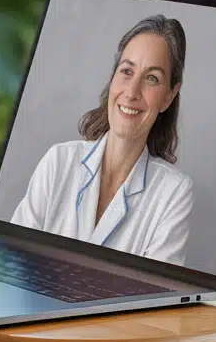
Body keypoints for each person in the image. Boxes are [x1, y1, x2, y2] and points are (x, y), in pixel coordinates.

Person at [10, 14, 193, 267]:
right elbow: (13, 259)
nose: (131, 92)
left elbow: (156, 298)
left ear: (169, 96)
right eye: (126, 71)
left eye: (151, 78)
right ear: (113, 78)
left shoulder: (173, 193)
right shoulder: (58, 161)